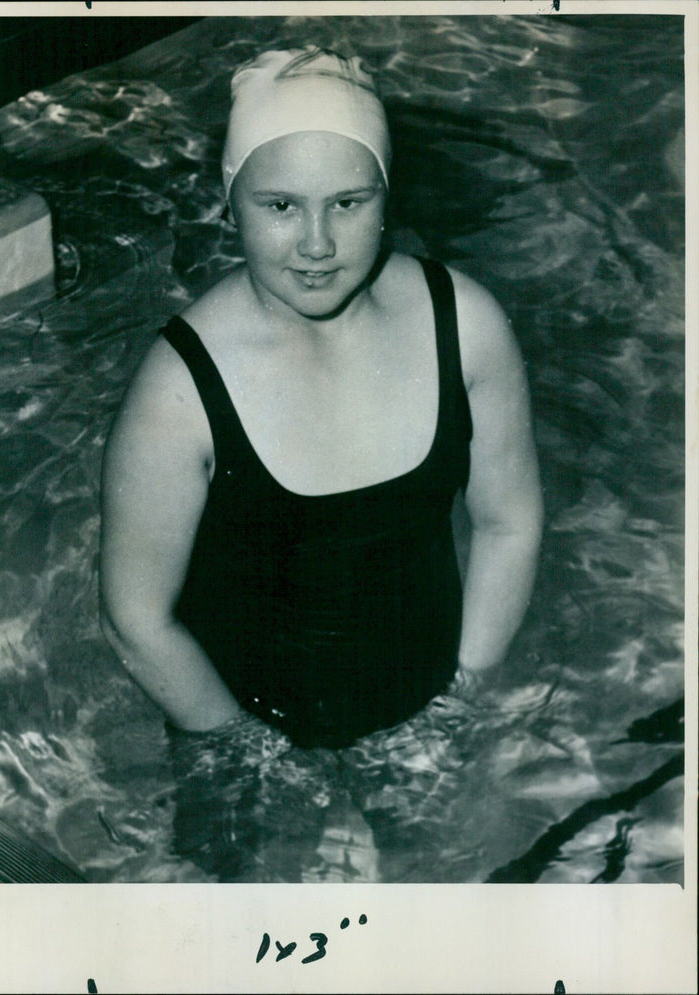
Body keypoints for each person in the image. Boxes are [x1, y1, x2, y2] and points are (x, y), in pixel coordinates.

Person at [99, 47, 544, 881]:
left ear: (387, 198)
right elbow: (137, 619)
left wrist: (457, 709)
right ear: (229, 204)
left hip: (431, 695)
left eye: (347, 202)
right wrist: (262, 762)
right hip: (235, 716)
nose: (315, 243)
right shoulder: (181, 386)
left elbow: (508, 520)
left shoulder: (465, 324)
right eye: (279, 205)